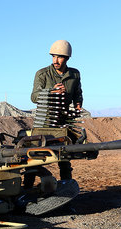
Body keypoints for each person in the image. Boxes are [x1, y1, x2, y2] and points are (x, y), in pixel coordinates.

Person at [29, 40, 83, 183]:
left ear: (67, 58)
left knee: (64, 160)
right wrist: (51, 92)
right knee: (35, 159)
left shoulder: (75, 75)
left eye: (59, 57)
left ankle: (66, 188)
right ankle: (28, 190)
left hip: (63, 122)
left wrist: (78, 105)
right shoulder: (42, 74)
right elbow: (34, 97)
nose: (55, 60)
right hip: (44, 122)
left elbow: (78, 93)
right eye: (53, 56)